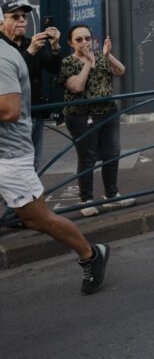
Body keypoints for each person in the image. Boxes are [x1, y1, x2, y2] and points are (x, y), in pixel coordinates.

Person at [0, 36, 110, 294]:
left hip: (9, 156)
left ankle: (90, 254)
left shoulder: (2, 58)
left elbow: (9, 111)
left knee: (38, 219)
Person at [57, 25, 135, 216]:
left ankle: (112, 195)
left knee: (112, 153)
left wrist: (107, 55)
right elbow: (76, 86)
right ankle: (86, 200)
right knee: (87, 157)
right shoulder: (68, 62)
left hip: (108, 112)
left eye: (87, 38)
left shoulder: (100, 56)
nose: (84, 42)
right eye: (79, 39)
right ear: (70, 43)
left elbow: (120, 71)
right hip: (81, 116)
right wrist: (87, 63)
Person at [0, 0, 60, 171]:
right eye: (15, 17)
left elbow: (54, 69)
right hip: (11, 119)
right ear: (2, 22)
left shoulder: (30, 42)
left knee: (34, 163)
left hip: (35, 112)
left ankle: (30, 197)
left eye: (24, 16)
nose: (22, 20)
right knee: (15, 166)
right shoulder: (2, 48)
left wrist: (55, 48)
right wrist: (30, 52)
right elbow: (12, 74)